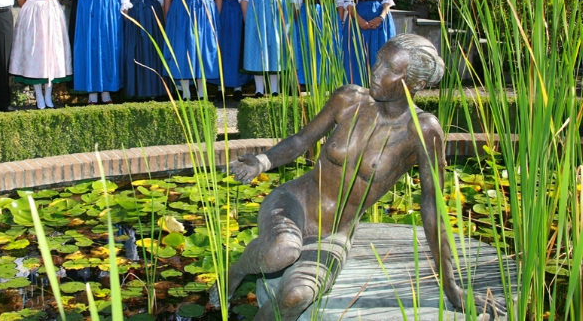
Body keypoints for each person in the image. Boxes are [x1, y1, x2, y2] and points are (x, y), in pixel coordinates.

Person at [214, 34, 504, 321]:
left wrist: (453, 289)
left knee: (295, 296)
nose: (376, 71)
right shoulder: (349, 99)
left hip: (334, 232)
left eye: (390, 68)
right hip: (294, 203)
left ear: (415, 84)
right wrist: (261, 162)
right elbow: (301, 140)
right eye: (379, 61)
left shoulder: (422, 130)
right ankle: (235, 273)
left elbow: (432, 207)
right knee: (281, 251)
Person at [9, 0, 72, 110]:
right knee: (35, 53)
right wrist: (33, 10)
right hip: (33, 12)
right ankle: (38, 95)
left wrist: (49, 7)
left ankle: (48, 95)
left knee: (51, 52)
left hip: (52, 12)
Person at [210, 0, 251, 99]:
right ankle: (220, 86)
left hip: (240, 9)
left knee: (238, 46)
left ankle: (238, 87)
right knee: (221, 46)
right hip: (221, 8)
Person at [295, 0, 342, 87]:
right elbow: (296, 2)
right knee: (308, 47)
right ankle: (307, 81)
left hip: (328, 16)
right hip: (307, 16)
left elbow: (340, 2)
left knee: (327, 47)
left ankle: (327, 80)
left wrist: (338, 22)